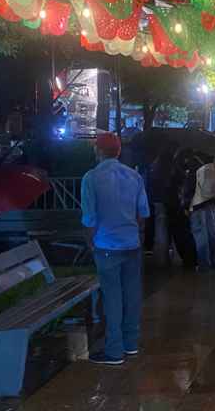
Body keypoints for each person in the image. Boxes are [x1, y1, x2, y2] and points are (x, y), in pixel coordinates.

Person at [81, 133, 150, 365]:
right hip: (131, 243)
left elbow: (89, 217)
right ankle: (131, 344)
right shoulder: (134, 176)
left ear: (97, 151)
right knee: (131, 295)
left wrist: (90, 242)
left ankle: (114, 350)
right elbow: (143, 213)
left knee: (112, 297)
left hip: (106, 244)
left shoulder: (91, 178)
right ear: (118, 151)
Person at [189, 155, 215, 271]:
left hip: (198, 203)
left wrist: (185, 205)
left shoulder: (197, 167)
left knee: (200, 236)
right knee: (212, 233)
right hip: (212, 202)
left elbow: (190, 188)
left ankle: (204, 265)